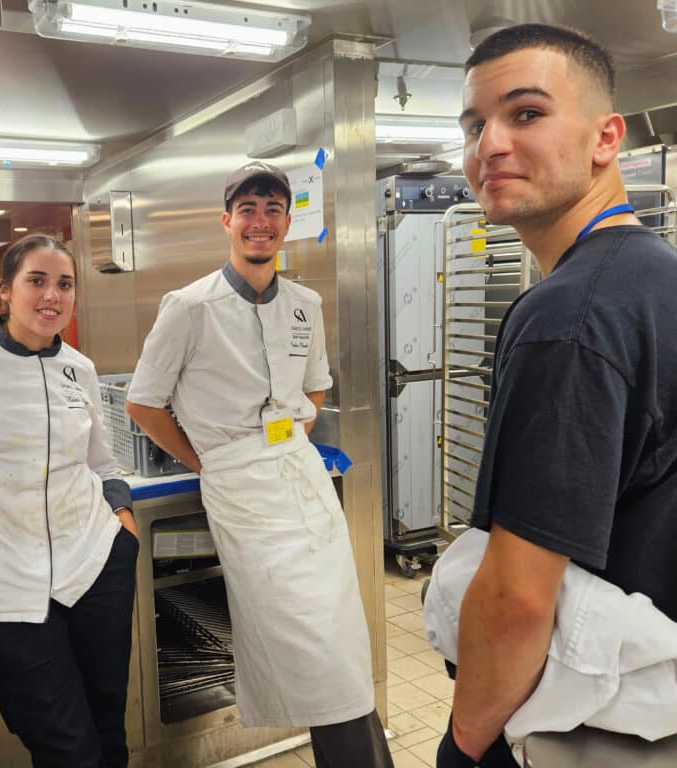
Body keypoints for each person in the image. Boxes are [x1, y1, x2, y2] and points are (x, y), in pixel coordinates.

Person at [437, 23, 677, 766]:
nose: (490, 146)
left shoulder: (569, 316)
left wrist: (466, 745)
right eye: (475, 125)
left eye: (526, 113)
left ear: (606, 138)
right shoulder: (656, 276)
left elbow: (517, 597)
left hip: (587, 717)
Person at [125, 162, 393, 768]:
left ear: (288, 222)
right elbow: (143, 402)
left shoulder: (304, 303)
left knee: (340, 634)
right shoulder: (189, 306)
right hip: (239, 486)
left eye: (273, 209)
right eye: (248, 209)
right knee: (311, 640)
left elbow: (316, 387)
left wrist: (288, 437)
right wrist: (208, 459)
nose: (260, 222)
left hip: (300, 473)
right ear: (227, 221)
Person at [0, 234, 138, 768]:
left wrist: (123, 523)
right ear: (5, 292)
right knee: (62, 742)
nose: (52, 295)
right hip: (8, 583)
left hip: (95, 566)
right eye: (36, 281)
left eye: (64, 284)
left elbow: (101, 463)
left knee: (109, 724)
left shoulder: (78, 369)